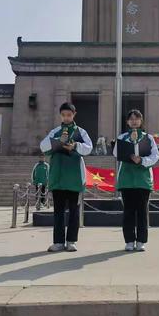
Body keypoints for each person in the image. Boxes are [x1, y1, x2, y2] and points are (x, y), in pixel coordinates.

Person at [40, 102, 93, 253]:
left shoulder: (80, 132)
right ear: (60, 115)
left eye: (69, 115)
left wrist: (75, 145)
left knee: (74, 212)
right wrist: (59, 142)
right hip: (58, 176)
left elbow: (89, 148)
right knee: (58, 211)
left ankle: (71, 241)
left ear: (74, 114)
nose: (66, 117)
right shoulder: (55, 131)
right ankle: (58, 242)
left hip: (74, 177)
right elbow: (43, 146)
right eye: (64, 115)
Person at [113, 109, 159, 252]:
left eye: (137, 118)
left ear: (141, 121)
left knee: (141, 212)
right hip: (126, 179)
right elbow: (116, 153)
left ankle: (140, 241)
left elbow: (155, 156)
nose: (134, 121)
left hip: (142, 180)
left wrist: (142, 160)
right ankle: (129, 241)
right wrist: (130, 141)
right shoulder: (122, 137)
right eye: (131, 118)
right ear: (127, 121)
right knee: (128, 212)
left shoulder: (148, 138)